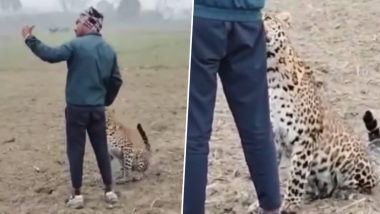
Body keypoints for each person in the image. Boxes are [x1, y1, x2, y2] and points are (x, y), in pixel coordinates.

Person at [183, 0, 282, 214]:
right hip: (248, 21)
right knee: (257, 124)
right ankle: (272, 207)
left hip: (201, 21)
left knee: (194, 131)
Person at [21, 7, 123, 209]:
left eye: (78, 22)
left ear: (87, 25)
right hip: (97, 108)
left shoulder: (76, 46)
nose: (74, 26)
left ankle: (77, 195)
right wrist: (105, 100)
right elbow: (117, 80)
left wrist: (29, 39)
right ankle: (109, 191)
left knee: (75, 150)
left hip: (76, 109)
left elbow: (50, 54)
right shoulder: (109, 50)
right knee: (101, 148)